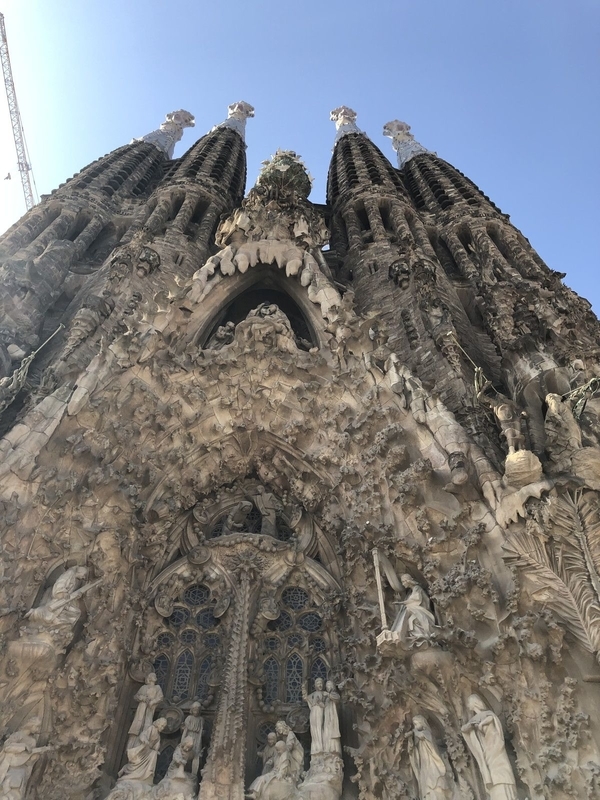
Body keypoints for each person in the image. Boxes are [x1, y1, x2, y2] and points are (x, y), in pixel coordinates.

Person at [461, 695, 517, 800]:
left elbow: (492, 720)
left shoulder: (488, 715)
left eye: (469, 702)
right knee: (493, 775)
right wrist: (473, 726)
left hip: (495, 749)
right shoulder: (475, 720)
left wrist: (482, 724)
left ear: (474, 703)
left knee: (501, 774)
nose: (468, 705)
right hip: (487, 751)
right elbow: (464, 729)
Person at [0, 718, 53, 800]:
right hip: (9, 765)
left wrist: (36, 755)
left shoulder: (32, 741)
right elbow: (7, 747)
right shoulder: (18, 735)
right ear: (30, 725)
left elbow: (29, 757)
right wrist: (23, 746)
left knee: (17, 791)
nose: (37, 729)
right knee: (6, 787)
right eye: (36, 726)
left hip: (22, 769)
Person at [407, 716, 450, 800]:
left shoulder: (426, 733)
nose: (415, 727)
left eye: (416, 724)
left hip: (432, 762)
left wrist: (414, 732)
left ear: (422, 723)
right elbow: (412, 750)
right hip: (424, 764)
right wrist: (410, 739)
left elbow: (422, 736)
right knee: (427, 785)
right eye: (414, 725)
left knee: (436, 781)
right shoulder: (417, 737)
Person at [391, 574, 436, 647]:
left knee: (409, 610)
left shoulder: (417, 588)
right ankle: (416, 636)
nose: (402, 584)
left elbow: (416, 599)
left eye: (403, 582)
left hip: (422, 610)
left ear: (407, 581)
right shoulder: (411, 592)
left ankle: (420, 635)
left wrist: (401, 602)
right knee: (410, 620)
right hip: (417, 611)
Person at [118, 717, 167, 784]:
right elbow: (143, 735)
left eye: (163, 727)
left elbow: (156, 746)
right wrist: (145, 740)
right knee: (137, 761)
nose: (162, 728)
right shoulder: (151, 728)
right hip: (143, 748)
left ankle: (148, 773)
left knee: (153, 754)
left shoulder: (158, 736)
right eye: (162, 726)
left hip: (148, 750)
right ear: (158, 723)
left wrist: (156, 749)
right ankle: (127, 769)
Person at [127, 672, 164, 748]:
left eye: (155, 676)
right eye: (153, 676)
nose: (155, 677)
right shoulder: (144, 687)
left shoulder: (157, 687)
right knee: (138, 723)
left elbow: (160, 697)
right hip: (142, 706)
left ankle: (145, 737)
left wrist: (153, 701)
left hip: (150, 708)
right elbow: (136, 696)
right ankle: (134, 743)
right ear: (149, 678)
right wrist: (142, 698)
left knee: (147, 722)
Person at [303, 678, 327, 754]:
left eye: (321, 683)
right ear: (315, 685)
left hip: (320, 711)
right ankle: (315, 747)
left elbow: (326, 706)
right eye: (318, 683)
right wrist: (304, 689)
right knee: (313, 729)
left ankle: (321, 747)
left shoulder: (324, 693)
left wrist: (320, 703)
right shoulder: (313, 694)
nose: (320, 685)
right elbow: (307, 699)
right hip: (313, 712)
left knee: (319, 727)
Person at [182, 701, 204, 775]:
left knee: (196, 754)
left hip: (197, 737)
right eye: (194, 710)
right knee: (186, 752)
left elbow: (201, 730)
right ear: (191, 710)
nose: (196, 712)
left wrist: (199, 742)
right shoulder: (189, 718)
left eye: (197, 710)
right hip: (189, 736)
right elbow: (186, 729)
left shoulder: (201, 719)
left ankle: (193, 773)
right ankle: (182, 770)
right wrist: (183, 740)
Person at [323, 681, 342, 755]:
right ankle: (327, 749)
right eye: (327, 685)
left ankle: (334, 749)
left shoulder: (334, 694)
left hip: (332, 717)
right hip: (326, 717)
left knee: (332, 733)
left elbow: (337, 698)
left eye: (329, 685)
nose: (328, 687)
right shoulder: (326, 697)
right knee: (326, 732)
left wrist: (328, 695)